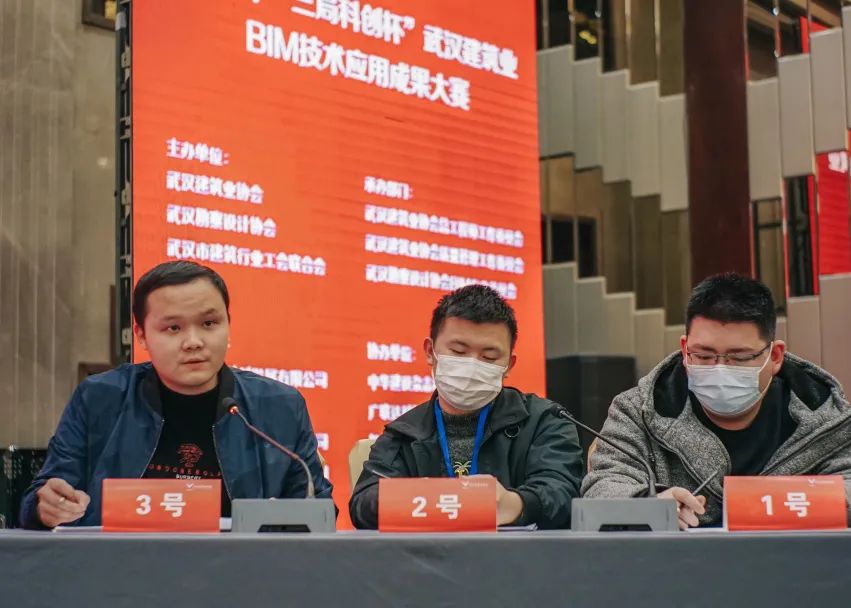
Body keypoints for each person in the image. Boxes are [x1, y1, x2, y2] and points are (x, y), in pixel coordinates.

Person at [20, 260, 331, 529]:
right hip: (121, 570)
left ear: (228, 324)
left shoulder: (279, 407)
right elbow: (38, 501)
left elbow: (319, 512)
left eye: (209, 323)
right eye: (173, 328)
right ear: (141, 335)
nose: (193, 341)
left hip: (240, 572)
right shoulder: (100, 399)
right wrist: (46, 507)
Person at [582, 273, 851, 529]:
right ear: (685, 350)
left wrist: (777, 504)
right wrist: (650, 506)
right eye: (704, 356)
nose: (720, 368)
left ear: (775, 356)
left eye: (739, 357)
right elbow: (602, 489)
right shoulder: (638, 411)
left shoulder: (827, 418)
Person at [349, 284, 583, 529]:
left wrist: (515, 505)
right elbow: (364, 504)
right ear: (430, 352)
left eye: (489, 357)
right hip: (428, 553)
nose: (472, 366)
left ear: (508, 365)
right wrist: (434, 499)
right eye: (458, 352)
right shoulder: (404, 433)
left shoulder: (545, 420)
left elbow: (563, 492)